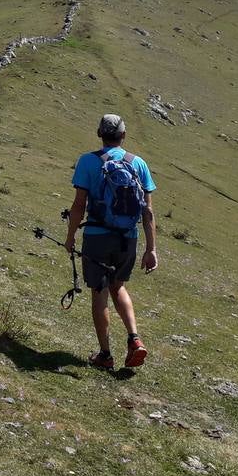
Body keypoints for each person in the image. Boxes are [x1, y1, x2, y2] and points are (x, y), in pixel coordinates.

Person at [65, 113, 158, 369]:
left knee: (100, 293)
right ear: (123, 136)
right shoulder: (138, 164)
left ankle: (105, 355)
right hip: (128, 238)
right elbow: (147, 212)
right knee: (119, 286)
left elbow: (79, 205)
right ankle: (134, 339)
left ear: (99, 134)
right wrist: (151, 249)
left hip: (97, 237)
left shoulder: (88, 162)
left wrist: (71, 236)